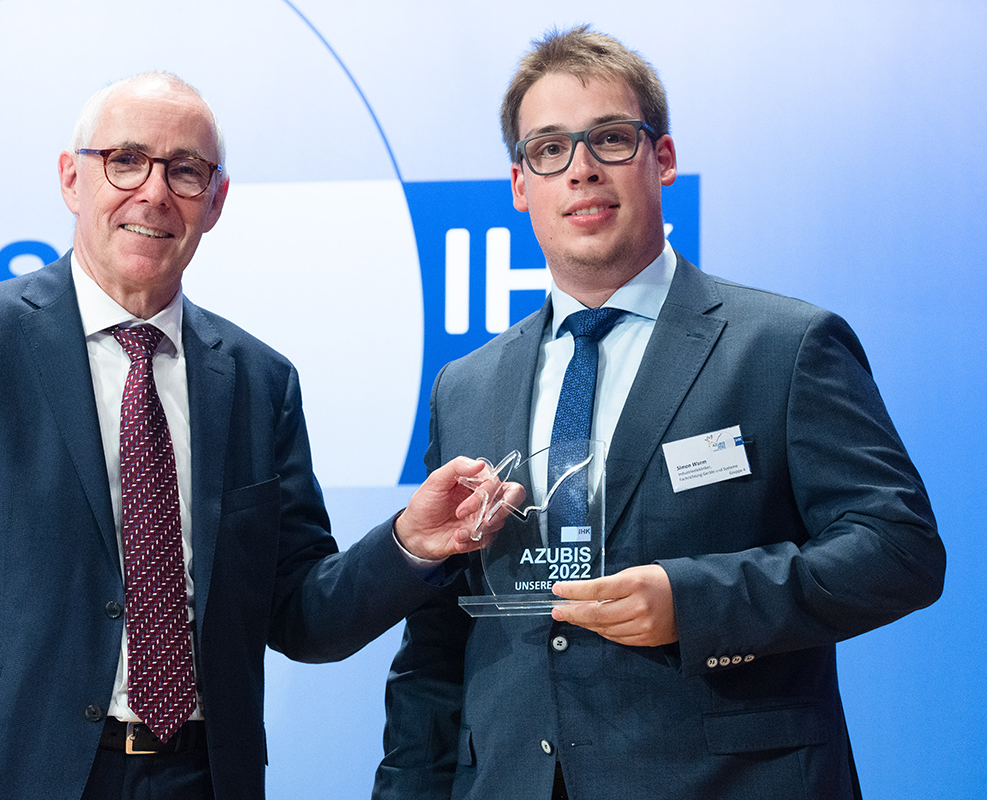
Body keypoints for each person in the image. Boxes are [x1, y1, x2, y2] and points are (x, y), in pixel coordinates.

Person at [0, 72, 499, 800]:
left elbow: (302, 613)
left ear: (216, 202)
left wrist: (409, 542)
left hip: (203, 776)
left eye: (185, 171)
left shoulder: (260, 381)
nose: (154, 192)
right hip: (12, 774)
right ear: (72, 178)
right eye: (125, 160)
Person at [372, 25, 945, 800]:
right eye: (549, 149)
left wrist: (694, 601)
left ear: (662, 159)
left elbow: (899, 550)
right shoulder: (466, 385)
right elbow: (437, 644)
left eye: (609, 138)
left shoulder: (783, 346)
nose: (580, 170)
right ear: (519, 184)